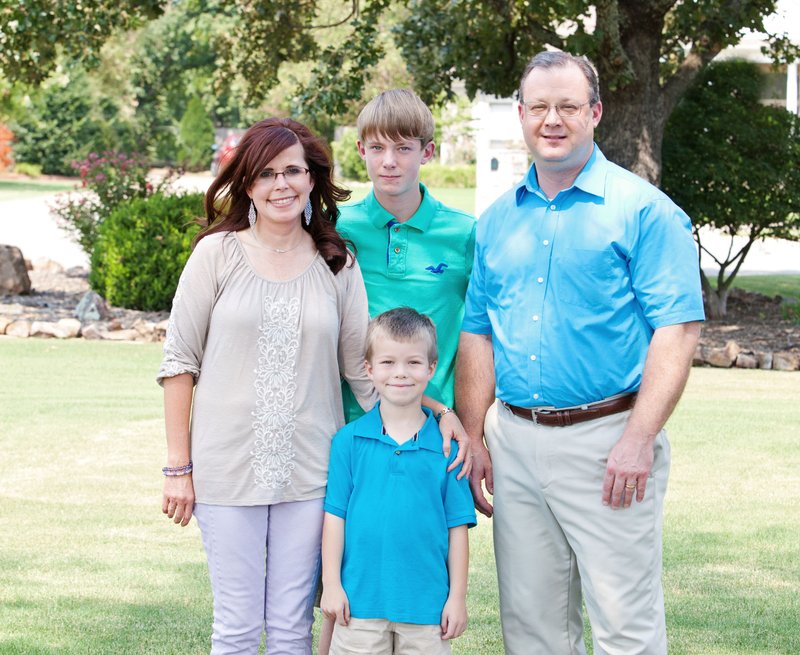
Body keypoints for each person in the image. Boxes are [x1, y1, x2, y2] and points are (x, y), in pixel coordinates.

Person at [456, 51, 705, 655]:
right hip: (514, 443)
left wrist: (639, 439)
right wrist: (474, 438)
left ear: (594, 112)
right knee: (532, 628)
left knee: (626, 628)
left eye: (568, 106)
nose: (553, 119)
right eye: (539, 106)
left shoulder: (644, 210)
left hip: (610, 440)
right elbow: (477, 334)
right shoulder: (494, 223)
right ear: (520, 114)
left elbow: (677, 330)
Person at [158, 117, 378, 655]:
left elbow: (362, 369)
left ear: (312, 179)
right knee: (234, 629)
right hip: (226, 471)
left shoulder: (337, 263)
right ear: (247, 184)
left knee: (288, 628)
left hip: (311, 473)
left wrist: (432, 417)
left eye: (294, 172)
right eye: (267, 174)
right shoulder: (216, 254)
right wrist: (178, 468)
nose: (282, 184)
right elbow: (179, 363)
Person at [321, 307, 477, 654]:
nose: (400, 373)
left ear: (431, 368)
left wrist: (457, 598)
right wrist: (331, 584)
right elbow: (335, 518)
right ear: (369, 368)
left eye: (413, 363)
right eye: (388, 362)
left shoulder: (449, 448)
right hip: (359, 605)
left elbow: (457, 529)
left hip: (427, 609)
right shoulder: (348, 441)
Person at [336, 88, 476, 425]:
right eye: (377, 148)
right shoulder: (336, 228)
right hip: (350, 423)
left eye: (403, 148)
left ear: (427, 151)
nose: (389, 161)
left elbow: (479, 339)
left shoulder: (464, 233)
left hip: (434, 426)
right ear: (361, 150)